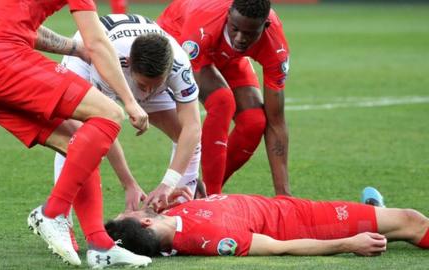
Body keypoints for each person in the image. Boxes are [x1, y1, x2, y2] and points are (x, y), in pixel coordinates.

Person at [0, 0, 157, 267]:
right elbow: (98, 42)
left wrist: (75, 49)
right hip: (2, 59)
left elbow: (21, 26)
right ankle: (53, 211)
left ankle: (100, 244)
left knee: (80, 144)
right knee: (110, 113)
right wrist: (129, 101)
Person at [50, 13, 201, 225]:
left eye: (156, 86)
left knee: (186, 137)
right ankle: (60, 220)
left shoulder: (179, 65)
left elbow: (192, 129)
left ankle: (179, 218)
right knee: (78, 136)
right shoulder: (109, 60)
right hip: (91, 53)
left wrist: (169, 183)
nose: (148, 92)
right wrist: (128, 183)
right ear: (130, 65)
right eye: (142, 86)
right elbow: (102, 125)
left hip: (135, 56)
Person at [157, 0, 291, 195]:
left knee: (253, 123)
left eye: (249, 33)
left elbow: (277, 122)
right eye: (235, 29)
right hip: (177, 38)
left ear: (265, 26)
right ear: (228, 15)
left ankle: (203, 191)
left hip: (225, 54)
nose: (240, 39)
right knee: (222, 102)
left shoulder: (276, 47)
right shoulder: (201, 26)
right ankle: (212, 197)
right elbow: (187, 99)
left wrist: (284, 195)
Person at [105, 190, 429, 257]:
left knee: (392, 220)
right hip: (307, 222)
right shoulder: (213, 240)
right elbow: (281, 247)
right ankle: (379, 219)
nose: (132, 207)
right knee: (411, 221)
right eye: (128, 212)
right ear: (146, 223)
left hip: (288, 207)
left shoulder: (175, 218)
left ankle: (376, 213)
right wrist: (348, 243)